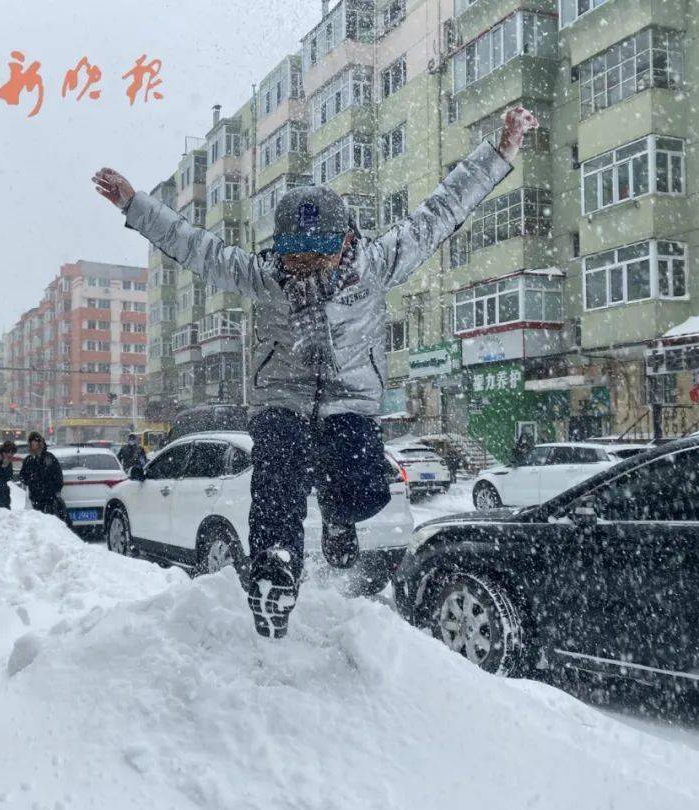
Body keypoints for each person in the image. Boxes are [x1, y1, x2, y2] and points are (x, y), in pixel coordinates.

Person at [93, 106, 537, 638]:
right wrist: (134, 204)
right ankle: (275, 576)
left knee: (364, 491)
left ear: (346, 242)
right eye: (294, 260)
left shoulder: (377, 264)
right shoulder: (264, 276)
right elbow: (199, 248)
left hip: (351, 402)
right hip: (282, 400)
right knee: (275, 481)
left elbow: (440, 212)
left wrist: (502, 150)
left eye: (317, 259)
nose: (303, 273)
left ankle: (340, 515)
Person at [19, 431, 64, 516]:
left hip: (49, 499)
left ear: (40, 444)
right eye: (31, 445)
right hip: (35, 499)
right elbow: (22, 476)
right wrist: (31, 480)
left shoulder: (49, 458)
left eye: (35, 444)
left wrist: (55, 490)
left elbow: (58, 476)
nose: (33, 447)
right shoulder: (28, 460)